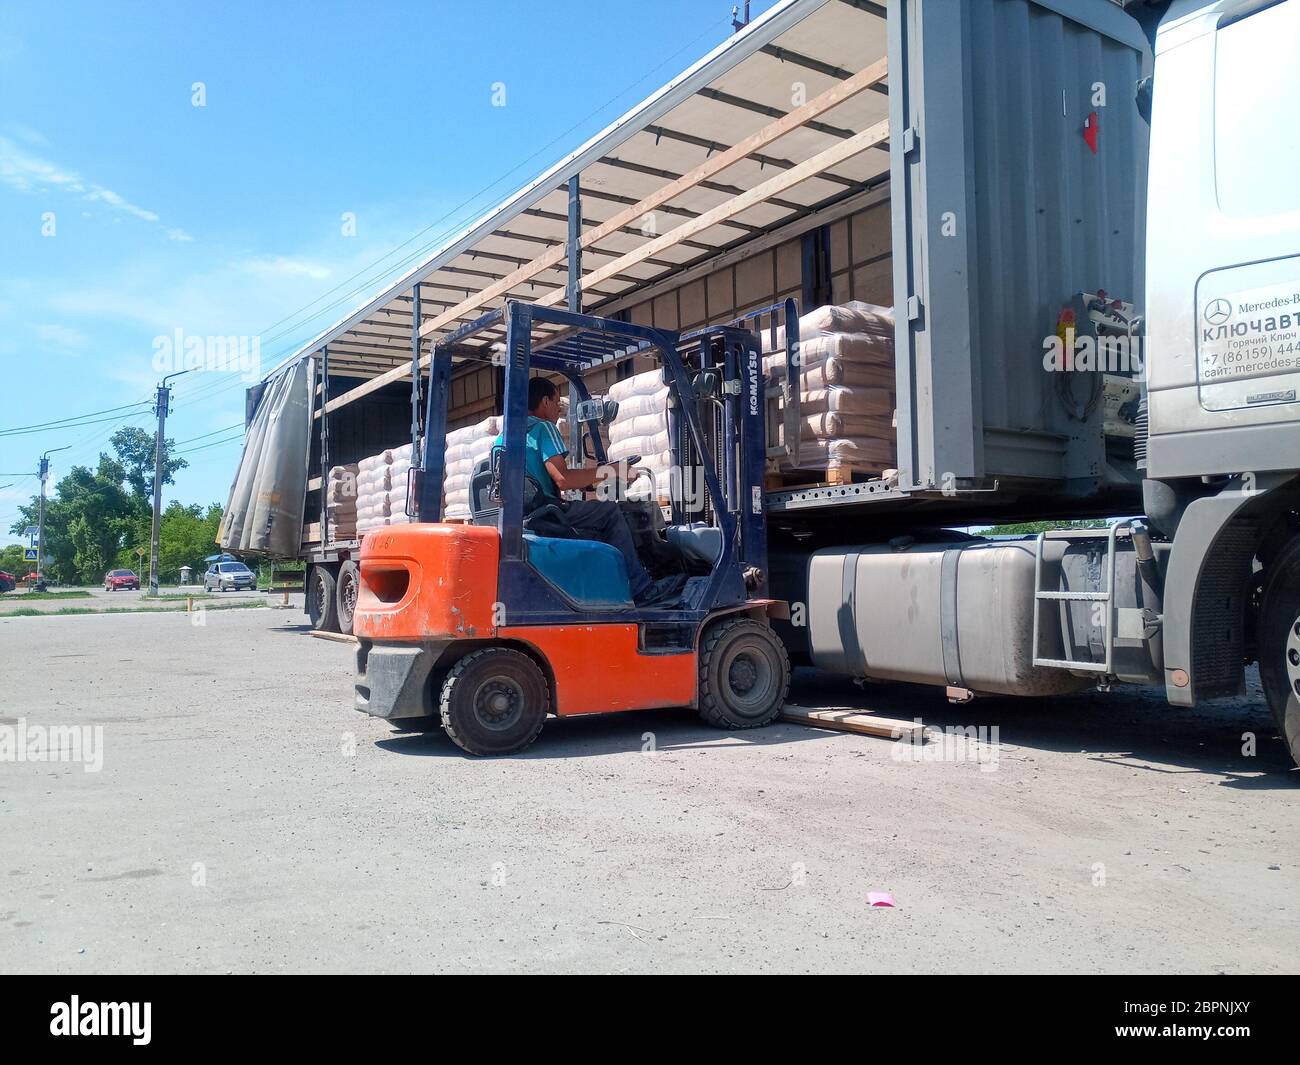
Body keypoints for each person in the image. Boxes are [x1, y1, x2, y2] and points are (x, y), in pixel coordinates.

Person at [494, 377, 678, 607]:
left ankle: (610, 586)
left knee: (596, 515)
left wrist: (591, 482)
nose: (558, 410)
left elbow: (545, 477)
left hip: (523, 512)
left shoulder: (505, 436)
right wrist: (613, 470)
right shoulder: (542, 427)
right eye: (555, 402)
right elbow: (562, 478)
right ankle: (642, 589)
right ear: (544, 402)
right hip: (544, 512)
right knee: (610, 511)